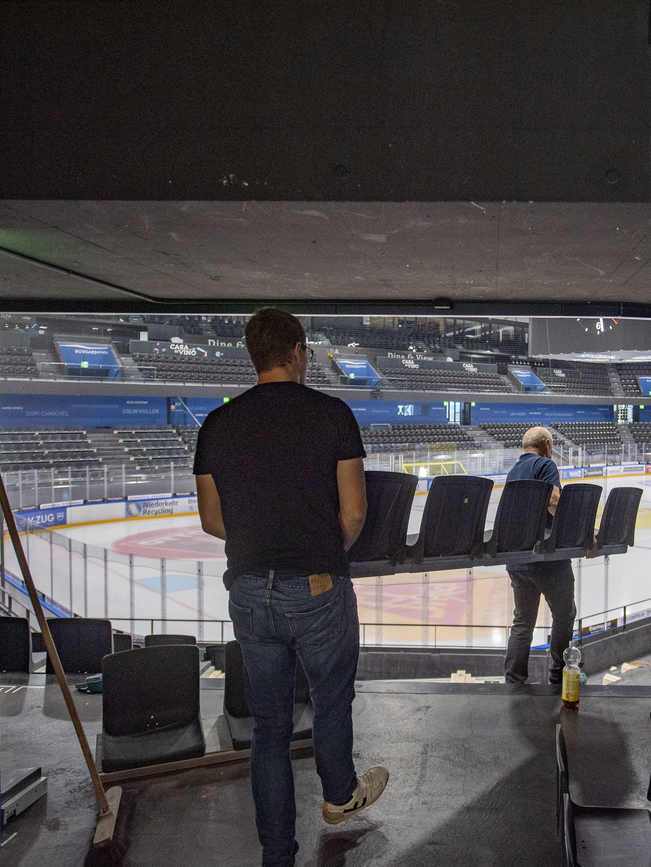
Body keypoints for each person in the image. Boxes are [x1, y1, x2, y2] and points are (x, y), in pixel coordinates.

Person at [193, 308, 388, 867]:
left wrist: (261, 539)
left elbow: (212, 519)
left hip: (250, 589)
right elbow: (353, 513)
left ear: (254, 356)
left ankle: (277, 854)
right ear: (298, 352)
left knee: (269, 728)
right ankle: (338, 796)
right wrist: (319, 552)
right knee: (331, 699)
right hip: (319, 583)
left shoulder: (217, 425)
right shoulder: (332, 415)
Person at [503, 426, 577, 685]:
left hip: (517, 560)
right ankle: (560, 675)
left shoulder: (513, 472)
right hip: (546, 559)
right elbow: (554, 500)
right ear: (546, 444)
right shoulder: (545, 465)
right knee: (564, 613)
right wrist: (576, 531)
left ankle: (513, 680)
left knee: (523, 621)